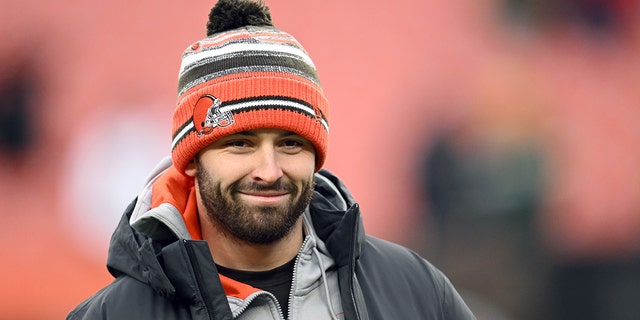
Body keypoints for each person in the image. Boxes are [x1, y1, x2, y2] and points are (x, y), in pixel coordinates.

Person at [66, 0, 477, 319]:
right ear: (191, 160)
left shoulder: (415, 291)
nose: (269, 170)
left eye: (291, 144)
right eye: (240, 144)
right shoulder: (114, 315)